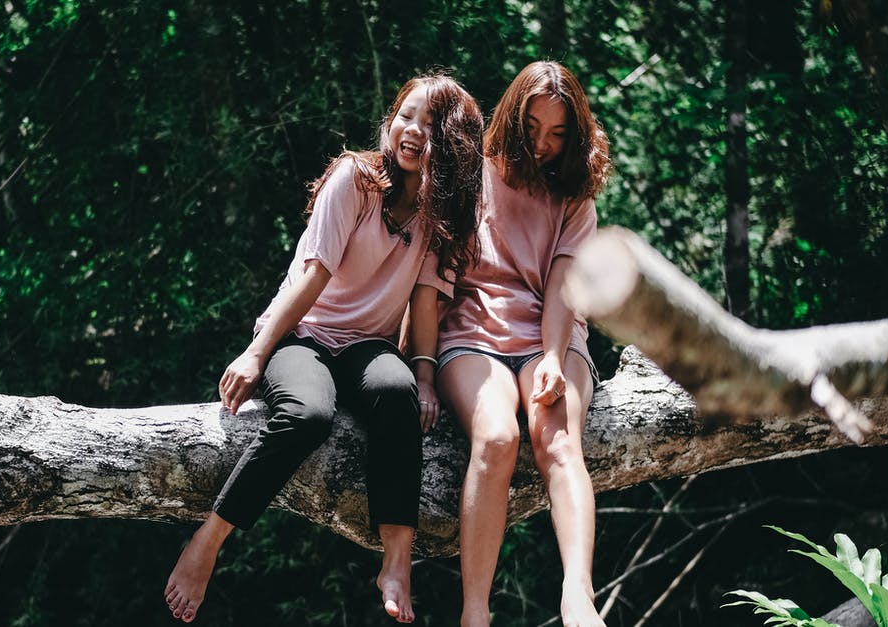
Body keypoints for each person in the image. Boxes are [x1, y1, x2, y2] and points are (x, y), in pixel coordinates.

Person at [164, 73, 484, 624]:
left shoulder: (438, 215)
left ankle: (396, 562)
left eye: (431, 127)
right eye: (406, 116)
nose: (413, 132)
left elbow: (426, 304)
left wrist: (427, 378)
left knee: (397, 390)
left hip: (368, 347)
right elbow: (311, 279)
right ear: (390, 120)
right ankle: (210, 539)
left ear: (451, 143)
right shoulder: (354, 181)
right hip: (303, 336)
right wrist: (256, 353)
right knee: (308, 413)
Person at [435, 61, 611, 627]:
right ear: (511, 118)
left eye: (558, 134)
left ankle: (578, 594)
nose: (542, 144)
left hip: (550, 332)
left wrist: (555, 361)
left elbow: (562, 285)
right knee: (496, 436)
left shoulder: (575, 193)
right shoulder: (473, 171)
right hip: (473, 334)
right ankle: (475, 612)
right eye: (532, 128)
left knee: (557, 441)